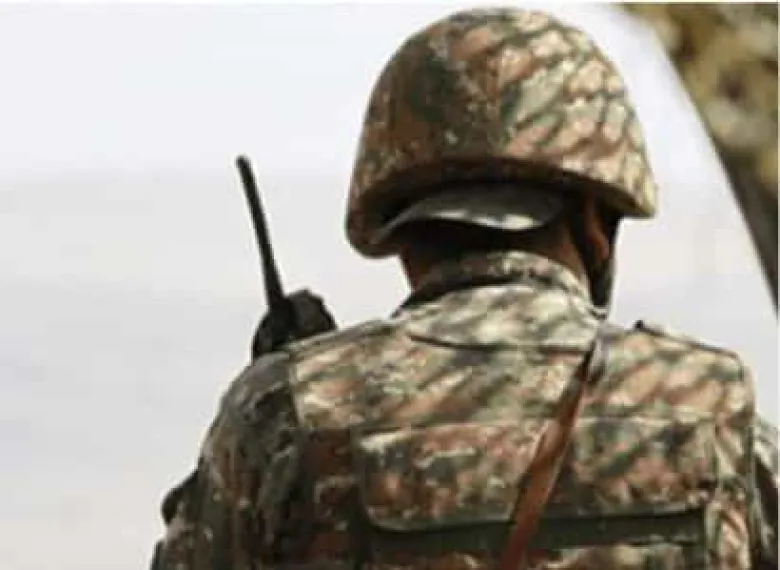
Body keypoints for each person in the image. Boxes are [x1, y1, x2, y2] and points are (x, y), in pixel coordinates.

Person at [151, 7, 778, 569]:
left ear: (401, 235)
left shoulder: (290, 412)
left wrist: (283, 418)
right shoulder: (711, 406)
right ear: (596, 220)